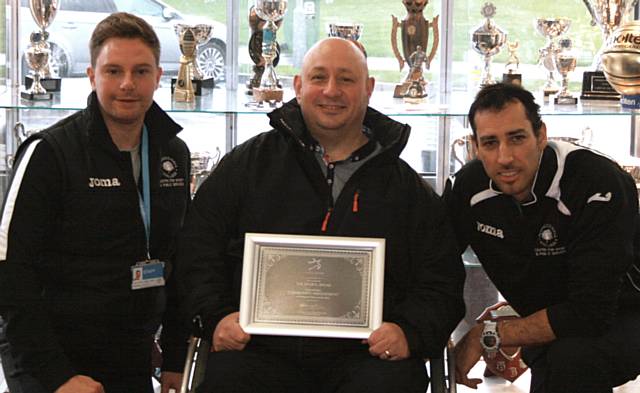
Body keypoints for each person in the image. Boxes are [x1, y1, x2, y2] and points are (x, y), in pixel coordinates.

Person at [176, 37, 465, 393]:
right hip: (257, 352)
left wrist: (409, 331)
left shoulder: (404, 187)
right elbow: (196, 251)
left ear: (369, 88)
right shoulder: (248, 167)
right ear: (298, 86)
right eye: (318, 78)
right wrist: (216, 317)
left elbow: (441, 280)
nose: (331, 91)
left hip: (367, 359)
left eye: (346, 79)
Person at [0, 12, 190, 393]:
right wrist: (58, 376)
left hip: (130, 353)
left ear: (158, 77)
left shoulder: (173, 154)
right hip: (48, 356)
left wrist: (174, 357)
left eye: (140, 71)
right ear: (91, 76)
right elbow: (10, 274)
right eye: (113, 71)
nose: (127, 85)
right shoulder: (49, 153)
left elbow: (180, 261)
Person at [443, 83, 640, 393]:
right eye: (490, 143)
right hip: (550, 317)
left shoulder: (596, 181)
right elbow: (435, 268)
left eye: (517, 138)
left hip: (622, 313)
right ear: (476, 147)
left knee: (572, 359)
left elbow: (589, 312)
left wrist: (488, 333)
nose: (505, 157)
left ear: (542, 135)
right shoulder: (467, 189)